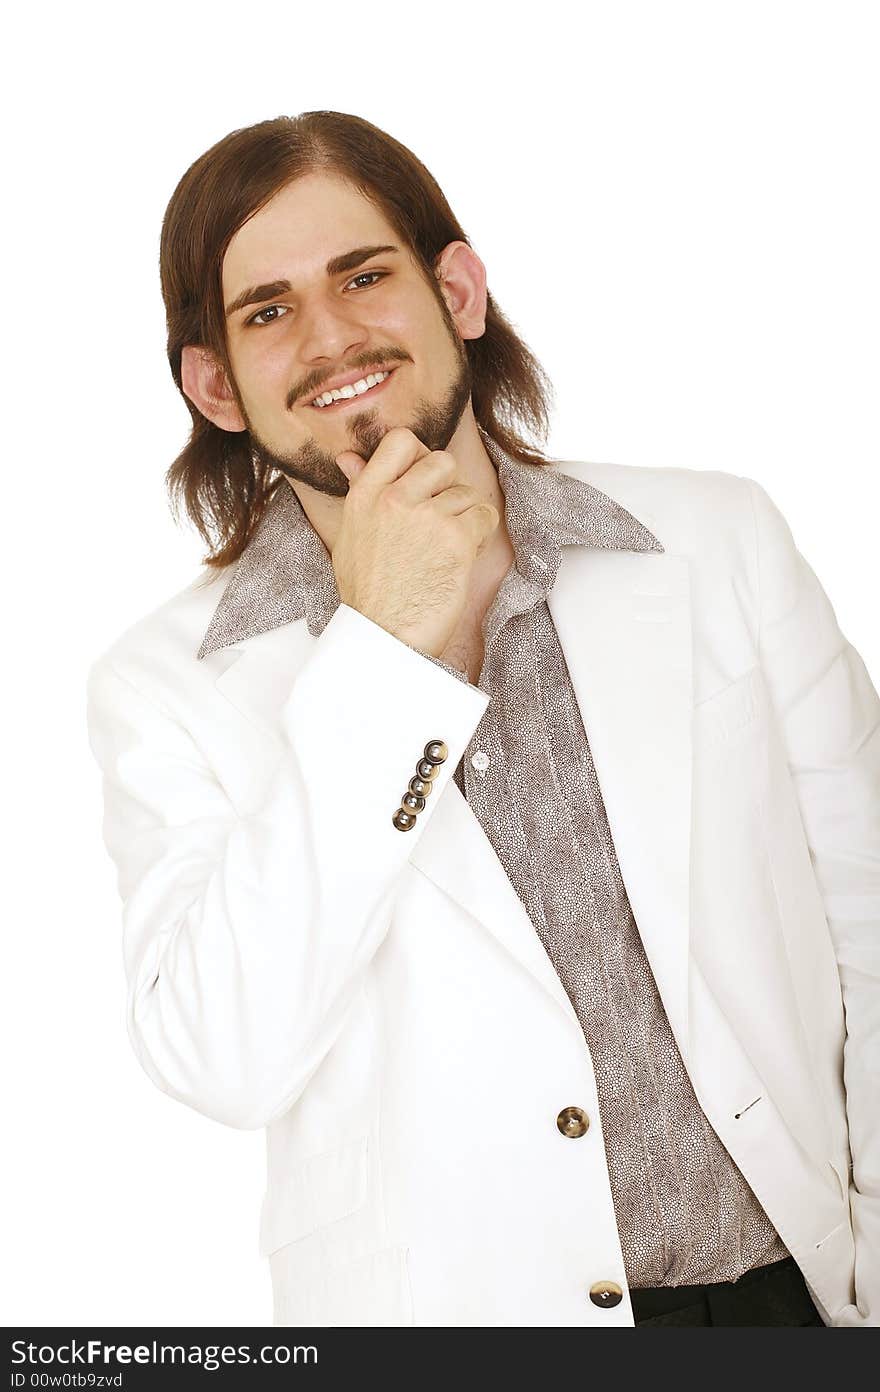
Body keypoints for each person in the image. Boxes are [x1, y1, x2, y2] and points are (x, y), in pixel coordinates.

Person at [85, 110, 878, 1328]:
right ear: (215, 385)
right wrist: (386, 654)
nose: (332, 334)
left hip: (789, 1300)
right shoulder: (166, 686)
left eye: (364, 276)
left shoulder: (718, 542)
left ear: (456, 289)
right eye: (267, 309)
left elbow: (867, 924)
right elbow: (223, 1053)